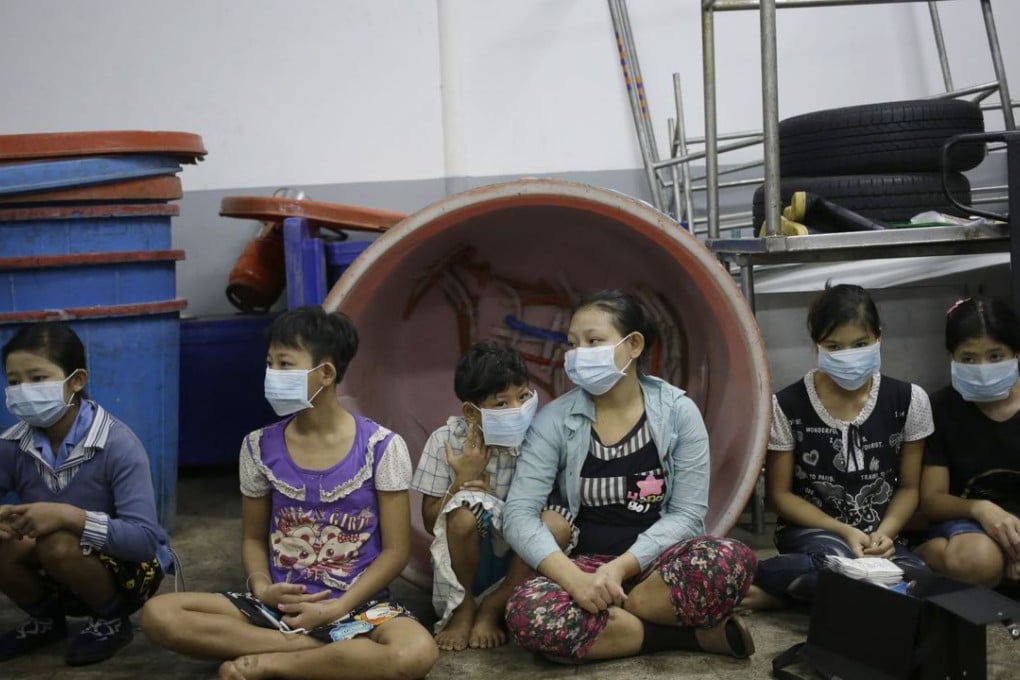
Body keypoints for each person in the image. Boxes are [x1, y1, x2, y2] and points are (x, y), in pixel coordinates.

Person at [140, 306, 437, 680]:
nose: (272, 375)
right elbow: (252, 537)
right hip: (277, 607)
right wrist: (263, 589)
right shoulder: (258, 447)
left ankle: (271, 663)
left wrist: (334, 609)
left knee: (417, 651)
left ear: (325, 373)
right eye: (270, 364)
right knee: (159, 614)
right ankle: (311, 651)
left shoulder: (381, 447)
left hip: (358, 606)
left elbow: (396, 552)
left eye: (285, 364)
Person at [501, 290, 757, 663]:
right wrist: (576, 582)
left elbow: (687, 515)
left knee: (732, 558)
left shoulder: (678, 413)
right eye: (572, 344)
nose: (578, 355)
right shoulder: (555, 420)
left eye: (594, 341)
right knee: (527, 612)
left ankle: (612, 625)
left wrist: (620, 569)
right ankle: (688, 637)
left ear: (633, 344)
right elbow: (519, 514)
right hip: (584, 568)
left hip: (659, 566)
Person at [746, 284, 932, 610]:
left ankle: (787, 596)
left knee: (917, 582)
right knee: (839, 564)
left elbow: (909, 488)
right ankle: (772, 577)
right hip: (815, 533)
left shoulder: (908, 400)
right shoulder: (787, 405)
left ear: (879, 337)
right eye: (834, 346)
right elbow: (780, 496)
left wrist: (885, 534)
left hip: (879, 537)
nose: (849, 356)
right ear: (816, 345)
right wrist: (843, 530)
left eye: (860, 344)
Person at [0, 323, 172, 666]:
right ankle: (46, 620)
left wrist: (68, 517)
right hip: (56, 568)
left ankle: (110, 619)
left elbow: (143, 540)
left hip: (128, 569)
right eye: (14, 382)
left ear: (76, 381)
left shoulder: (117, 444)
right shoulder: (11, 444)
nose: (24, 391)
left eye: (37, 378)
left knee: (58, 541)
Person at [411, 340, 572, 652]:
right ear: (472, 412)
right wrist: (462, 481)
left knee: (558, 524)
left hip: (521, 563)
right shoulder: (446, 441)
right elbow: (432, 523)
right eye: (501, 404)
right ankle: (464, 606)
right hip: (469, 562)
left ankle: (495, 606)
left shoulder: (540, 437)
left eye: (523, 397)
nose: (517, 409)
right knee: (461, 517)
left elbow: (556, 504)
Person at [916, 296, 1020, 588]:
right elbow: (932, 500)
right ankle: (921, 558)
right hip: (967, 525)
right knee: (976, 562)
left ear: (1017, 353)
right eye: (969, 358)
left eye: (996, 356)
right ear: (951, 357)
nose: (983, 367)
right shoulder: (940, 408)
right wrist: (980, 508)